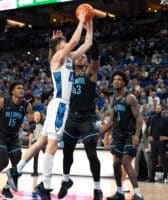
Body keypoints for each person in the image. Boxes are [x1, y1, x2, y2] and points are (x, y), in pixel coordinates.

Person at [6, 10, 93, 200]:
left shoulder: (67, 58)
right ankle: (44, 185)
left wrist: (89, 24)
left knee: (42, 142)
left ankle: (16, 171)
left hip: (58, 105)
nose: (67, 41)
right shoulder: (58, 58)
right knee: (52, 146)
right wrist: (79, 21)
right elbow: (74, 42)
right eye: (64, 41)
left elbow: (88, 43)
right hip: (61, 105)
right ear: (59, 46)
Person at [57, 40, 103, 200]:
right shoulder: (67, 74)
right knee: (67, 153)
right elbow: (57, 60)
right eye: (79, 56)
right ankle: (65, 180)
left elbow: (95, 61)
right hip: (71, 118)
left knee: (91, 154)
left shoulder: (89, 72)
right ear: (73, 59)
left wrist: (92, 43)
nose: (82, 58)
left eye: (84, 56)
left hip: (87, 119)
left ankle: (97, 188)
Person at [100, 70, 144, 200]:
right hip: (118, 136)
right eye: (114, 80)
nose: (116, 81)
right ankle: (119, 192)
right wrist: (101, 134)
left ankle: (138, 194)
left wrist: (136, 135)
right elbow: (111, 121)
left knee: (125, 162)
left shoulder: (130, 98)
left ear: (124, 82)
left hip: (130, 134)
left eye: (119, 79)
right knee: (115, 163)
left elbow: (139, 118)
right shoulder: (114, 98)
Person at [0, 81, 33, 199]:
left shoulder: (26, 105)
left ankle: (6, 188)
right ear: (12, 91)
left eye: (23, 88)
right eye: (19, 88)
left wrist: (30, 126)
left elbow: (32, 121)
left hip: (14, 137)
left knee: (17, 166)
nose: (22, 90)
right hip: (1, 135)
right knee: (4, 161)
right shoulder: (4, 101)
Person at [146, 105, 168, 182]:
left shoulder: (165, 118)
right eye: (156, 108)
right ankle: (152, 178)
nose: (158, 109)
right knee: (153, 160)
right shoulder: (151, 118)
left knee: (163, 160)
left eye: (159, 108)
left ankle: (165, 178)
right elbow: (145, 126)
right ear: (155, 109)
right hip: (153, 142)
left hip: (161, 141)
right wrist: (148, 136)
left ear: (161, 109)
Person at [29, 111, 44, 176]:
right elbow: (31, 135)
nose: (37, 117)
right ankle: (35, 172)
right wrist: (30, 145)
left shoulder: (44, 124)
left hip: (43, 142)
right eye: (35, 116)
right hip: (36, 143)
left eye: (38, 115)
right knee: (35, 158)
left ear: (40, 116)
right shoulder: (32, 125)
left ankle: (47, 172)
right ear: (34, 117)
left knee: (47, 156)